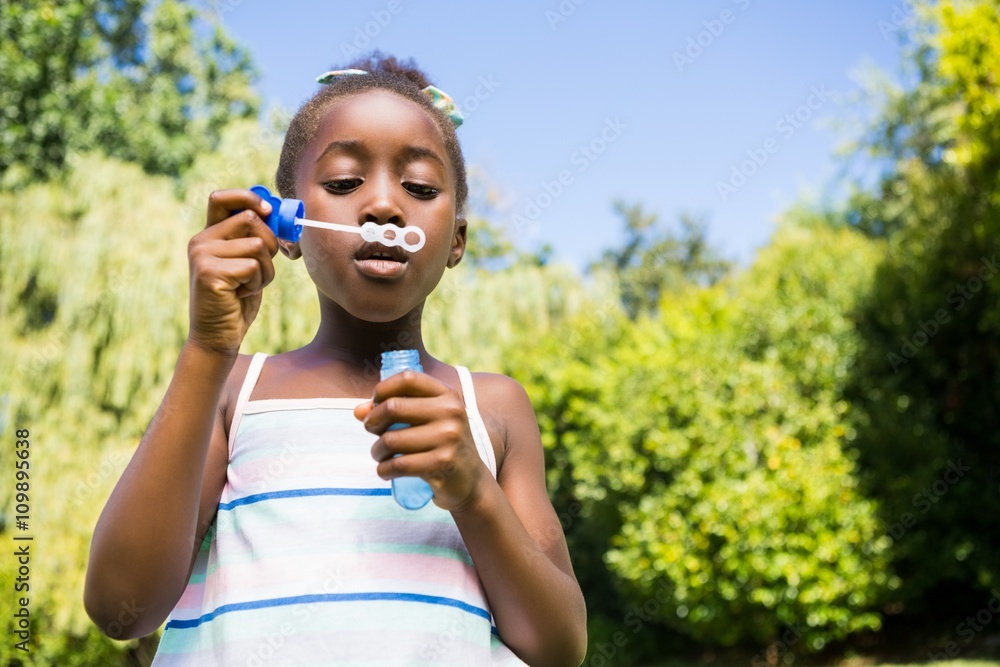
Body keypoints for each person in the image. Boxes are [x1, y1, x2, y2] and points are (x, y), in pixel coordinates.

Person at [83, 53, 588, 666]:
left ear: (456, 240)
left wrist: (474, 492)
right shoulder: (233, 388)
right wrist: (208, 349)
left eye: (420, 188)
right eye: (345, 183)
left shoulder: (493, 407)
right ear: (288, 225)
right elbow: (120, 606)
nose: (383, 206)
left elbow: (560, 647)